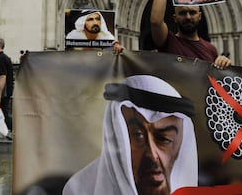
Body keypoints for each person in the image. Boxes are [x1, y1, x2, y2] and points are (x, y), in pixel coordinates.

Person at [63, 75, 197, 195]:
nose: (152, 154)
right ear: (116, 136)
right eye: (137, 136)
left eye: (163, 139)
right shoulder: (79, 189)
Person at [150, 0, 231, 69]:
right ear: (175, 18)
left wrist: (224, 63)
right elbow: (156, 22)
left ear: (199, 16)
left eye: (192, 12)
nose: (188, 17)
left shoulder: (211, 50)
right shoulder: (168, 41)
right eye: (182, 13)